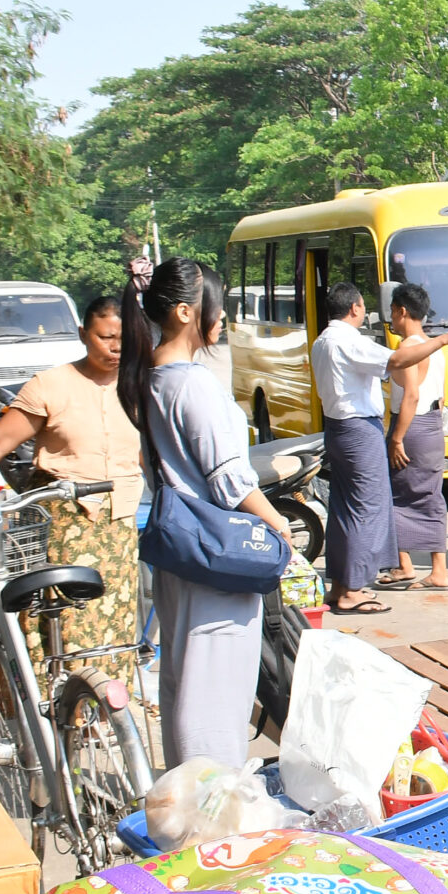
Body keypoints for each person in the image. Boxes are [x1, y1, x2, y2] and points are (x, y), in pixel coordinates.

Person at [118, 258, 294, 767]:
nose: (221, 317)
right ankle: (212, 822)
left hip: (181, 551)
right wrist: (277, 524)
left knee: (184, 679)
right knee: (215, 696)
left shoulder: (149, 378)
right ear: (183, 313)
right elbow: (230, 481)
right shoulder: (191, 384)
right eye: (214, 306)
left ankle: (186, 803)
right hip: (217, 558)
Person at [0, 295, 147, 669]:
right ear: (83, 335)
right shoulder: (50, 385)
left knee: (116, 628)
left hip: (120, 526)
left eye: (123, 339)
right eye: (105, 337)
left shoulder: (138, 386)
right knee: (65, 626)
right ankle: (60, 715)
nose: (116, 348)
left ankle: (109, 718)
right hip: (64, 524)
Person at [310, 281, 448, 613]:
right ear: (354, 308)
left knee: (344, 508)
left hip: (338, 428)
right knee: (367, 508)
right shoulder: (348, 341)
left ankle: (341, 583)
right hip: (358, 430)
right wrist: (443, 339)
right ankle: (352, 589)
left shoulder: (323, 340)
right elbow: (397, 362)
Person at [385, 283, 448, 591]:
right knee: (430, 495)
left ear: (402, 311)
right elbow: (440, 397)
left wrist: (397, 438)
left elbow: (410, 395)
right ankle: (430, 567)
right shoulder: (433, 346)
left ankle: (408, 564)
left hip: (411, 426)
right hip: (432, 426)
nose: (390, 319)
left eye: (391, 312)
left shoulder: (407, 348)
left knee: (398, 495)